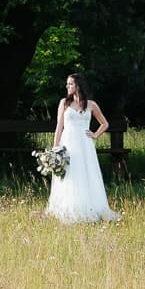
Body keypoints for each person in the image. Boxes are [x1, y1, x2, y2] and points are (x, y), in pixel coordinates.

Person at [47, 70, 119, 223]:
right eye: (67, 84)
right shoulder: (64, 103)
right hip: (68, 144)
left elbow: (105, 124)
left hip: (85, 145)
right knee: (70, 174)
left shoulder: (91, 105)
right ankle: (69, 208)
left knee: (86, 173)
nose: (67, 86)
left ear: (78, 85)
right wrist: (55, 148)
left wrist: (94, 135)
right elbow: (59, 127)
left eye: (70, 84)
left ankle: (89, 207)